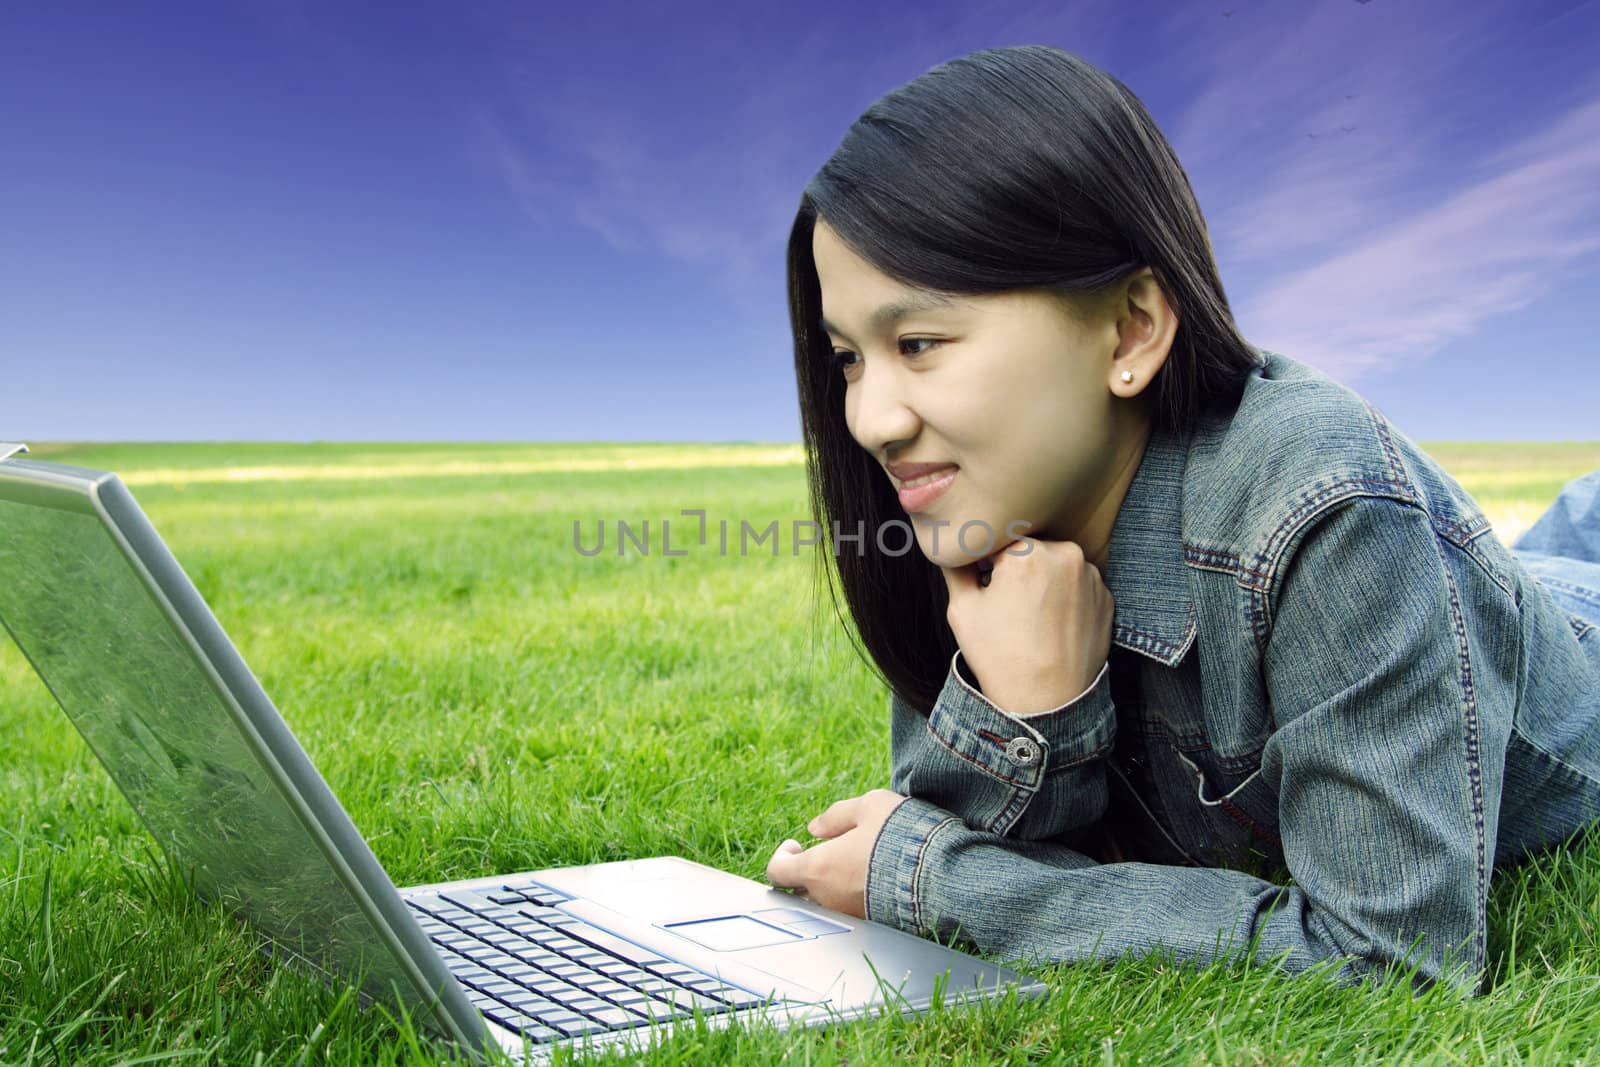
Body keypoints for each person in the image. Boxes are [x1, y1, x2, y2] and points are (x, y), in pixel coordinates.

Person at [762, 44, 1600, 994]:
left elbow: (1393, 962)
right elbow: (985, 830)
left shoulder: (1325, 507)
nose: (871, 420)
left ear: (1131, 330)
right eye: (849, 359)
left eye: (919, 343)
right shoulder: (969, 494)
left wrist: (936, 883)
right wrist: (1034, 710)